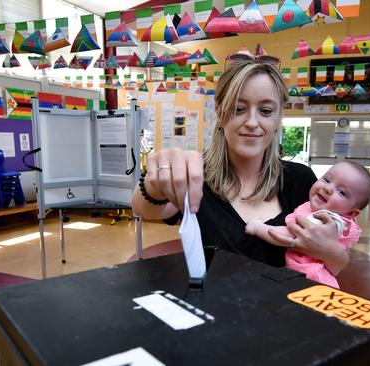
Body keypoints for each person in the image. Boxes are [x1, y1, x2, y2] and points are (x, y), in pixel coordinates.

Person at [132, 56, 349, 275]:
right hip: (213, 306)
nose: (252, 122)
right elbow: (146, 208)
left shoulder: (301, 180)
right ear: (220, 113)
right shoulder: (195, 175)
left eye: (265, 111)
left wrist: (330, 252)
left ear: (278, 118)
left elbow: (337, 266)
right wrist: (154, 185)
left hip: (282, 307)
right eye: (238, 108)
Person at [245, 162, 370, 288]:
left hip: (311, 279)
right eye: (327, 180)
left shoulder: (326, 220)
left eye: (341, 192)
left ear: (351, 213)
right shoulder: (320, 209)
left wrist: (258, 228)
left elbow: (288, 236)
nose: (328, 188)